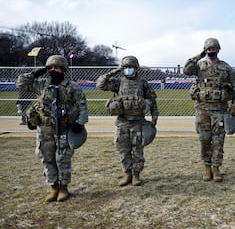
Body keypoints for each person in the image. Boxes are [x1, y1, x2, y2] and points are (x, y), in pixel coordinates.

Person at [16, 55, 88, 202]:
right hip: (45, 128)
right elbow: (21, 83)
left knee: (62, 158)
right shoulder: (42, 84)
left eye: (56, 67)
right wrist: (38, 72)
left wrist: (80, 124)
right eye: (50, 68)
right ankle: (53, 187)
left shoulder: (72, 87)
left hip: (64, 128)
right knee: (47, 158)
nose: (53, 70)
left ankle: (64, 188)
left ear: (63, 69)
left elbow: (82, 106)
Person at [183, 38, 235, 182]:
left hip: (220, 111)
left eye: (214, 48)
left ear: (218, 49)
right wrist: (199, 55)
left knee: (218, 140)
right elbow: (186, 70)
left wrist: (234, 106)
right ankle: (206, 167)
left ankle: (216, 168)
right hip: (202, 110)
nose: (211, 51)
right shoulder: (199, 66)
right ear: (205, 50)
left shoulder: (226, 67)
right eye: (208, 49)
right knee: (204, 139)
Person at [96, 55, 159, 187]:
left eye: (130, 67)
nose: (128, 69)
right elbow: (100, 84)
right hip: (122, 122)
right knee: (123, 149)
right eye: (125, 67)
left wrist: (154, 117)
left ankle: (136, 175)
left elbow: (152, 100)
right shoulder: (118, 82)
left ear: (136, 68)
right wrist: (114, 72)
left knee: (137, 150)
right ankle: (127, 174)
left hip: (138, 122)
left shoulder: (143, 83)